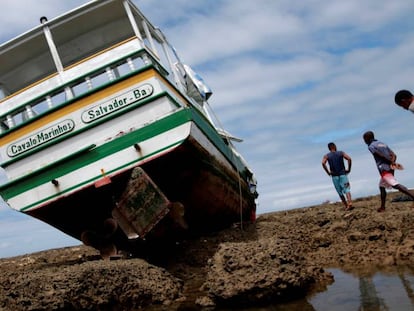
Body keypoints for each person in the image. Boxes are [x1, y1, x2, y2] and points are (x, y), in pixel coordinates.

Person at [362, 131, 414, 212]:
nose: (364, 141)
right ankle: (383, 207)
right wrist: (392, 162)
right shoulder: (382, 143)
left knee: (394, 184)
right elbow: (394, 155)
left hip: (383, 168)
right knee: (382, 187)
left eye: (364, 139)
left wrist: (390, 162)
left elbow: (380, 155)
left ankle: (413, 196)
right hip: (390, 167)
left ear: (368, 138)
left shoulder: (371, 146)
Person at [322, 142, 353, 210]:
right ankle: (350, 203)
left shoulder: (327, 156)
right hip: (343, 174)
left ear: (329, 148)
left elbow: (323, 163)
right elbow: (349, 159)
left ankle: (346, 205)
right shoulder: (341, 153)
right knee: (347, 189)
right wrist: (349, 169)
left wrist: (328, 172)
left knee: (339, 192)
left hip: (334, 176)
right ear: (335, 146)